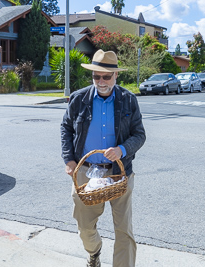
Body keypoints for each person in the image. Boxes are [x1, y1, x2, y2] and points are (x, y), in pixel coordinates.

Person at [60, 49, 146, 267]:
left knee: (123, 229)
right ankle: (94, 252)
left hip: (120, 171)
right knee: (84, 225)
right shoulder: (79, 99)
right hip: (85, 172)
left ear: (116, 75)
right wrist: (68, 158)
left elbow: (139, 134)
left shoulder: (128, 100)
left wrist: (122, 150)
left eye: (106, 76)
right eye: (96, 76)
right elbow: (66, 127)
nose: (101, 81)